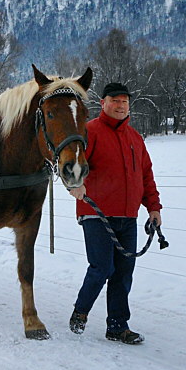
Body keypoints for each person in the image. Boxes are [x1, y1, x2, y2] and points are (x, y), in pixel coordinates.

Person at [68, 82, 162, 345]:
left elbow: (146, 175)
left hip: (127, 217)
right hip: (95, 213)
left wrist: (153, 207)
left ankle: (118, 326)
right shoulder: (89, 132)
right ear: (103, 103)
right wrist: (75, 185)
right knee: (102, 267)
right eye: (115, 101)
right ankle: (81, 312)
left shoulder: (135, 138)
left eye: (124, 102)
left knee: (123, 272)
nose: (120, 106)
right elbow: (72, 164)